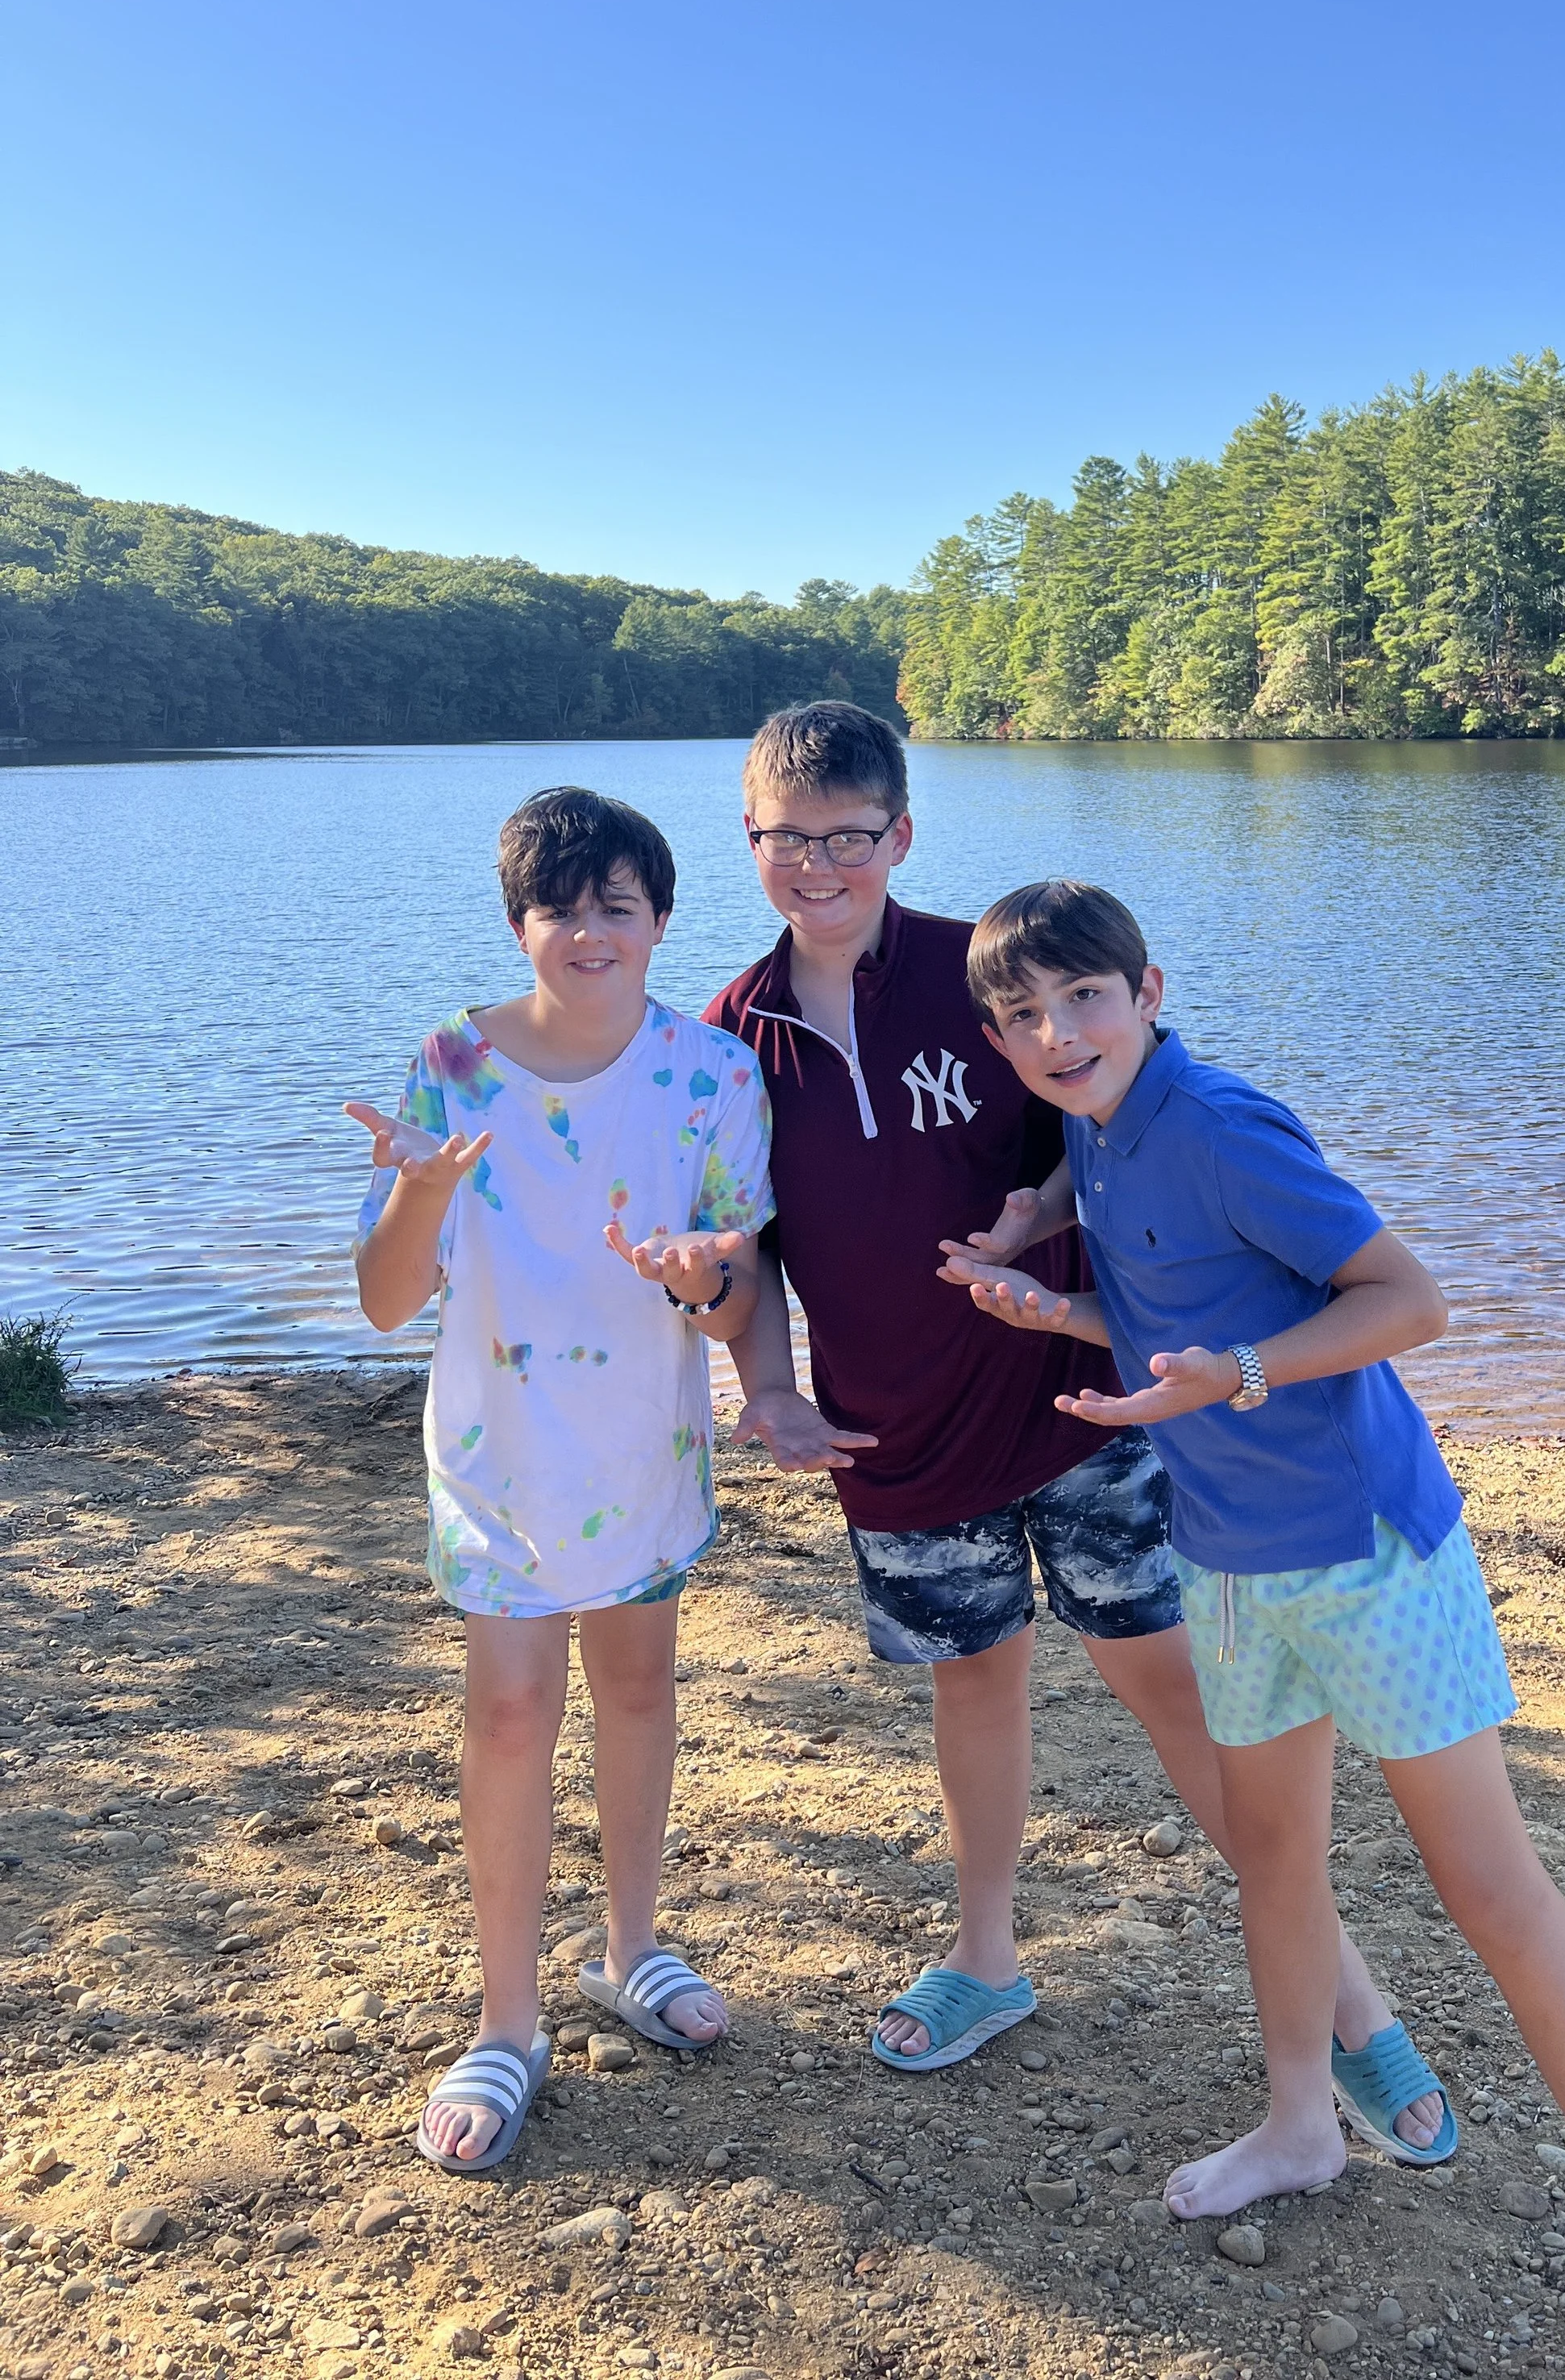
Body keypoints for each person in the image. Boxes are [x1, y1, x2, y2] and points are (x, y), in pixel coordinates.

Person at [943, 879, 1565, 2380]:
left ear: (1148, 990)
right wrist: (1055, 1316)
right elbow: (1184, 1318)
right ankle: (1305, 2123)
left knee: (1487, 1882)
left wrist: (1228, 1373)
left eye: (1083, 998)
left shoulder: (1223, 1123)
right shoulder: (1093, 1132)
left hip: (1366, 1550)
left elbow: (1407, 1301)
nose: (1057, 1032)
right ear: (999, 1036)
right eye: (1024, 1015)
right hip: (1228, 1563)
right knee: (1274, 1858)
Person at [707, 705, 1446, 2147]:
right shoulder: (740, 1035)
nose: (819, 866)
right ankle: (988, 1958)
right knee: (971, 1688)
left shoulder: (985, 979)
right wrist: (769, 1381)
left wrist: (1058, 1242)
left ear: (899, 837)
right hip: (895, 1440)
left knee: (1180, 1694)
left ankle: (1352, 2004)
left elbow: (1125, 1122)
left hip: (1077, 1410)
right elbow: (747, 1245)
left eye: (849, 836)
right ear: (751, 844)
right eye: (788, 839)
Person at [345, 785, 772, 2173]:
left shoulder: (711, 1074)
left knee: (642, 1686)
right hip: (502, 1458)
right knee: (514, 1716)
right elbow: (385, 1303)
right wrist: (420, 1187)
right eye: (559, 909)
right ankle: (507, 2017)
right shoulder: (455, 1062)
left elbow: (732, 1297)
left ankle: (631, 1948)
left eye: (617, 907)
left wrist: (708, 1283)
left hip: (640, 1445)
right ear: (518, 922)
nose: (588, 932)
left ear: (658, 920)